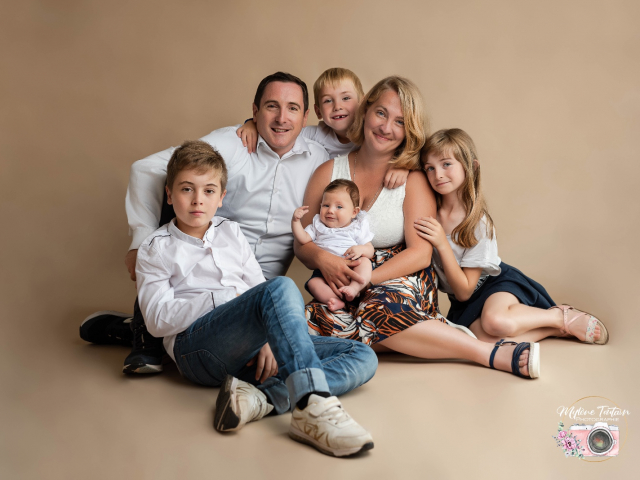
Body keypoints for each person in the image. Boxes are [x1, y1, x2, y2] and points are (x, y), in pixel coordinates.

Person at [136, 139, 376, 457]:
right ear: (169, 194)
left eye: (208, 190)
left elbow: (255, 287)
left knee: (361, 356)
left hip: (249, 350)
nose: (198, 200)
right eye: (186, 189)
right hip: (196, 351)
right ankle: (311, 406)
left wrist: (268, 339)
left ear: (221, 197)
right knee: (280, 287)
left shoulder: (231, 232)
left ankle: (260, 399)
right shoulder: (155, 247)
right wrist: (222, 298)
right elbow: (155, 319)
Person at [80, 72, 330, 373]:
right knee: (186, 188)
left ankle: (141, 328)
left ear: (306, 117)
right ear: (254, 110)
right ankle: (146, 334)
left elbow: (357, 140)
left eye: (292, 108)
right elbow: (146, 170)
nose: (281, 118)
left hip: (258, 288)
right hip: (201, 274)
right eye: (271, 106)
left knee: (345, 349)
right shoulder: (233, 143)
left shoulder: (319, 156)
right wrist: (141, 241)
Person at [300, 76, 541, 379]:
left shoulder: (413, 178)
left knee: (377, 308)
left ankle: (490, 353)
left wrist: (366, 279)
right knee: (309, 325)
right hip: (339, 279)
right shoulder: (328, 172)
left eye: (400, 122)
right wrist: (326, 261)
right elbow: (303, 242)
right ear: (365, 110)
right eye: (381, 113)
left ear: (409, 130)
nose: (386, 127)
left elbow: (420, 254)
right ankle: (427, 336)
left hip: (401, 277)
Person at [415, 128, 609, 346]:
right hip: (463, 300)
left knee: (496, 322)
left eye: (446, 164)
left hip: (493, 285)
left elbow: (464, 291)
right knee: (478, 341)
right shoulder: (427, 212)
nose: (437, 174)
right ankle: (552, 330)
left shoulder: (478, 223)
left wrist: (442, 243)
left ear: (471, 167)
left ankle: (558, 315)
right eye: (429, 168)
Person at [237, 67, 410, 188]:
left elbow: (406, 148)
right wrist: (251, 124)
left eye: (346, 98)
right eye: (328, 100)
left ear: (363, 103)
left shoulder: (375, 134)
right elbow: (282, 130)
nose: (337, 106)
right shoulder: (314, 135)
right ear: (318, 111)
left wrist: (403, 166)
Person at [292, 179, 374, 312]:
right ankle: (334, 300)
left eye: (339, 207)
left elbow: (370, 250)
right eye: (326, 205)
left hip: (352, 264)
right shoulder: (318, 225)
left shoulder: (357, 227)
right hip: (324, 270)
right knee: (313, 283)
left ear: (354, 212)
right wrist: (295, 221)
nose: (330, 211)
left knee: (365, 262)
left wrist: (361, 249)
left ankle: (354, 288)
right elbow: (303, 238)